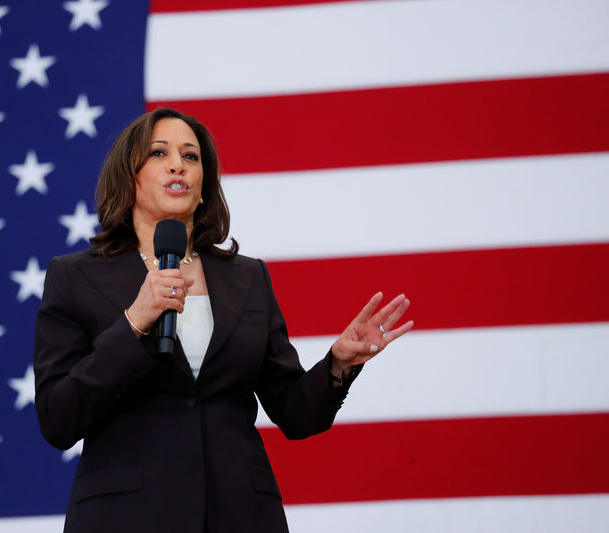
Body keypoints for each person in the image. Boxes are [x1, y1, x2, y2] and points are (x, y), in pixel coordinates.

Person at [33, 108, 413, 533]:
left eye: (190, 156)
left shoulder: (248, 276)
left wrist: (338, 365)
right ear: (130, 176)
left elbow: (294, 412)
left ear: (202, 188)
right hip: (125, 516)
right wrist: (135, 321)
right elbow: (58, 417)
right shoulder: (75, 276)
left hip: (240, 513)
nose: (178, 164)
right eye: (160, 153)